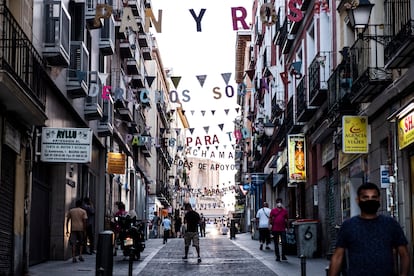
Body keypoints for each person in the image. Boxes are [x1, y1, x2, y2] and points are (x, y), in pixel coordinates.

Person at [329, 182, 410, 276]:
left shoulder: (390, 224)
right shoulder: (348, 226)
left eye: (374, 197)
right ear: (358, 200)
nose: (370, 200)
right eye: (365, 197)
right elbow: (338, 256)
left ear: (379, 199)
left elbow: (404, 254)